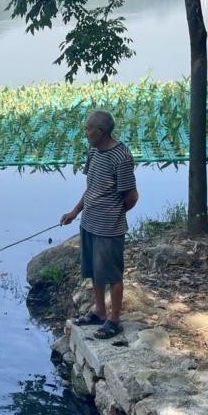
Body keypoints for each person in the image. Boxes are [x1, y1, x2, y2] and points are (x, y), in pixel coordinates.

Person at [59, 110, 139, 339]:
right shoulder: (94, 152)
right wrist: (74, 212)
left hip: (109, 227)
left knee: (113, 274)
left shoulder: (121, 157)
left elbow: (132, 196)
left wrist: (113, 213)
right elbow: (92, 187)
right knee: (95, 271)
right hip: (89, 223)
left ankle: (114, 320)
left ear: (100, 132)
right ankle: (99, 311)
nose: (86, 133)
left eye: (88, 129)